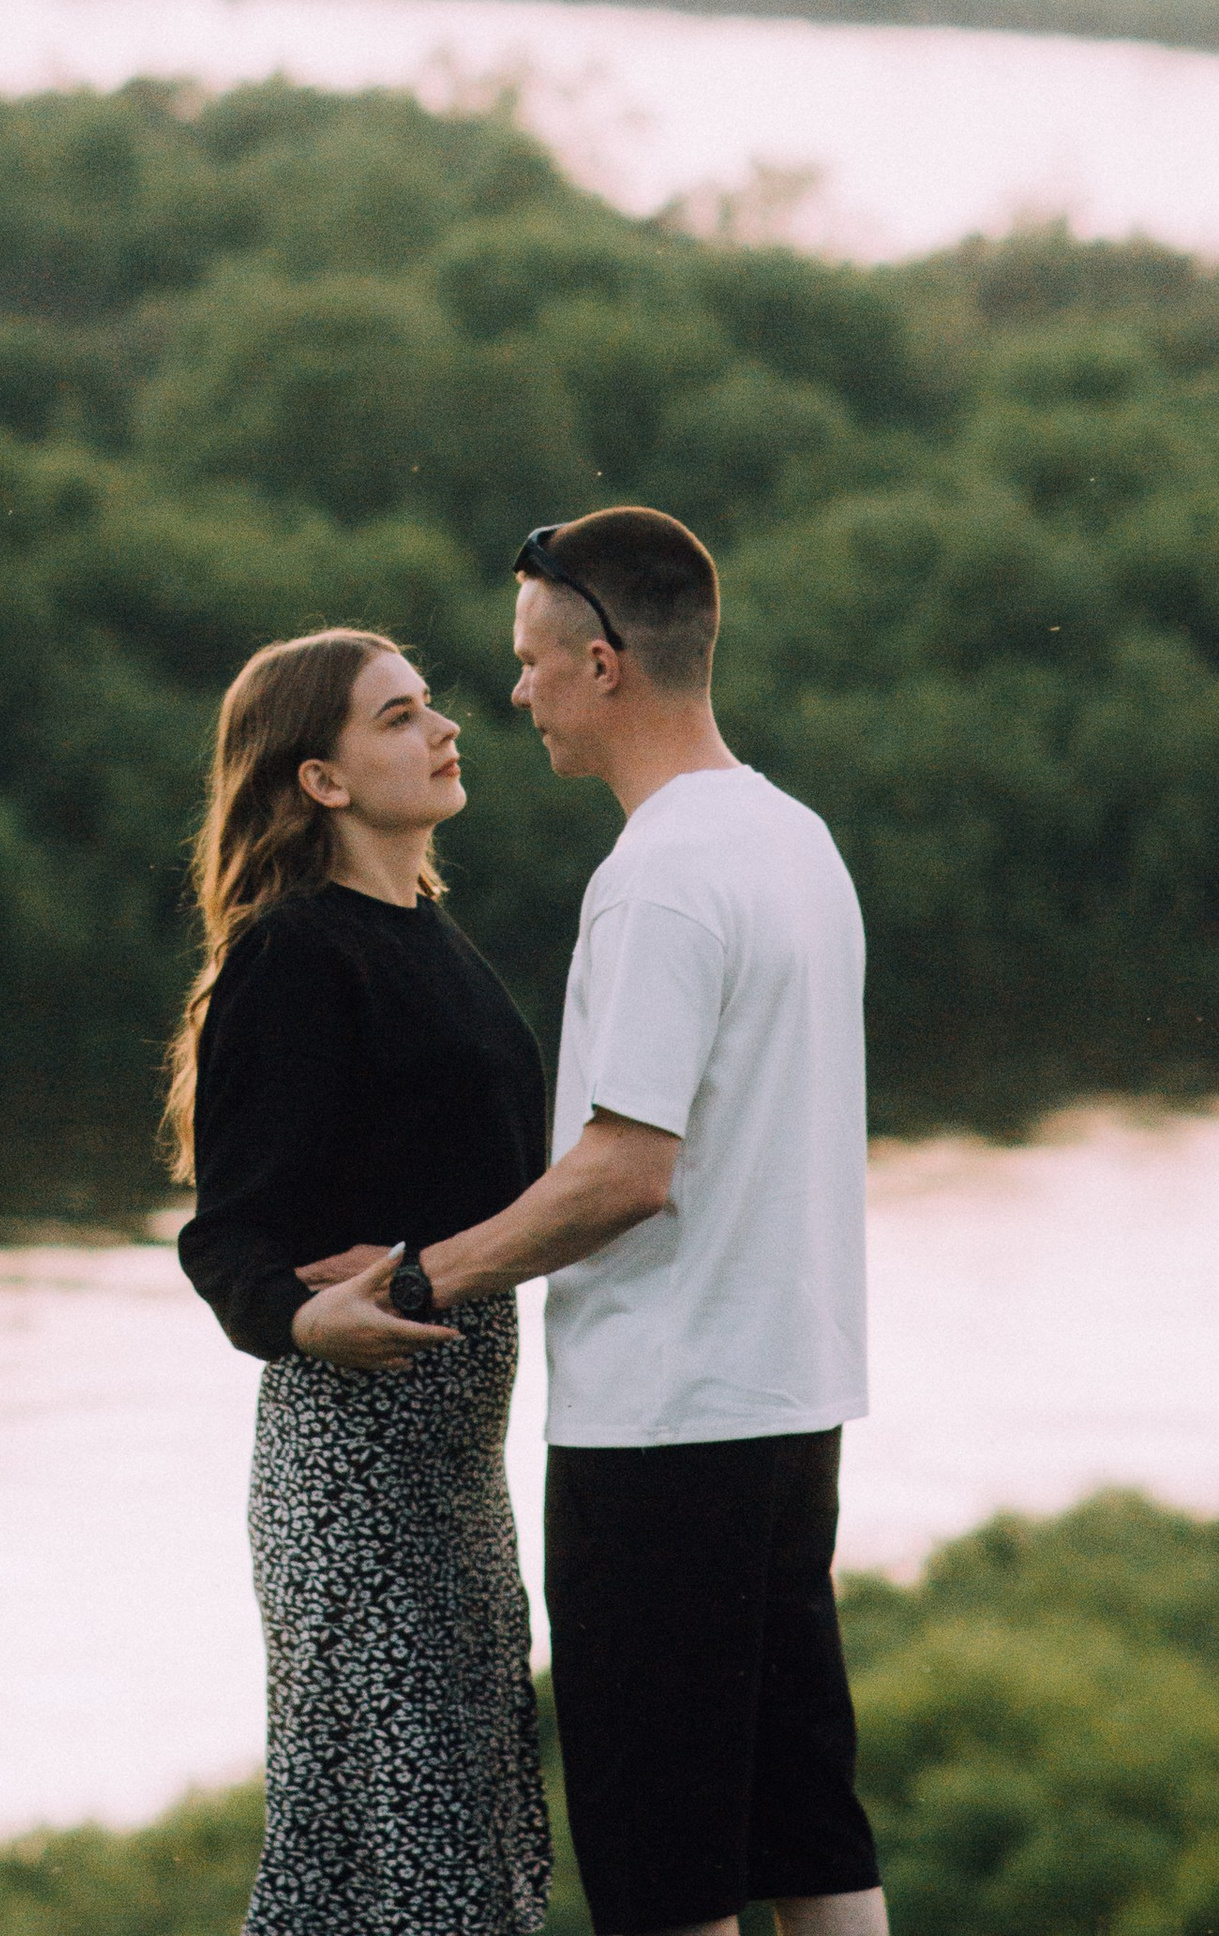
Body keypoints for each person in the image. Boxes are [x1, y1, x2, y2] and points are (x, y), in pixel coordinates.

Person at [330, 507, 884, 1936]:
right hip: (790, 1403)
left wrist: (411, 1281)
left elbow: (627, 1173)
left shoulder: (657, 882)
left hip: (662, 1428)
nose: (512, 695)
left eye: (528, 663)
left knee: (663, 1875)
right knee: (809, 1836)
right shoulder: (794, 840)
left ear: (605, 661)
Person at [170, 626, 554, 1936]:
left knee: (469, 1853)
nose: (443, 729)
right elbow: (226, 1237)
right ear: (319, 779)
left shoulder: (428, 932)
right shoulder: (295, 957)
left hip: (457, 1474)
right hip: (354, 1467)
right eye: (397, 717)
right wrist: (303, 1317)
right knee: (403, 1870)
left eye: (429, 707)